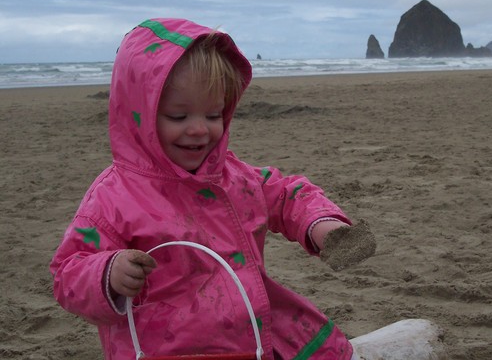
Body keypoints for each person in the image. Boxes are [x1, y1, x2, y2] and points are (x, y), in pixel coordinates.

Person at [50, 19, 378, 360]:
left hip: (256, 331)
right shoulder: (114, 197)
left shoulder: (234, 177)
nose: (199, 130)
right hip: (168, 347)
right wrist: (108, 272)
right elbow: (68, 272)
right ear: (138, 115)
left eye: (213, 114)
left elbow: (287, 195)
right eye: (178, 117)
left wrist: (324, 226)